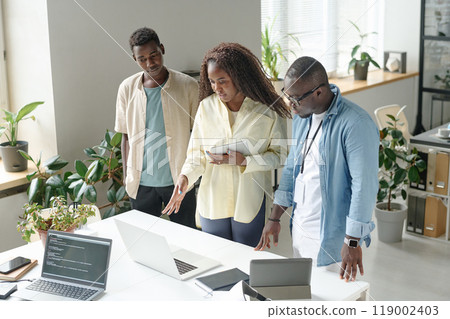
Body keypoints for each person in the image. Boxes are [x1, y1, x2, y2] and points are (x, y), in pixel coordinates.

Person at [255, 56, 379, 282]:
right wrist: (274, 219)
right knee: (305, 296)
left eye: (295, 99)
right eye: (287, 95)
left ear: (319, 92)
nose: (290, 105)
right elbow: (293, 169)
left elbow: (364, 187)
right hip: (301, 230)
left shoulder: (356, 123)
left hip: (333, 239)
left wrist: (352, 242)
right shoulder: (304, 116)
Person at [162, 42, 290, 246]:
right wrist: (185, 177)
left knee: (246, 261)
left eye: (222, 81)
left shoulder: (268, 110)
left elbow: (281, 155)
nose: (216, 88)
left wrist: (246, 161)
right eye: (212, 81)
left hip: (248, 200)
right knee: (218, 260)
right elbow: (196, 155)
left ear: (239, 77)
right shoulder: (206, 107)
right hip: (213, 199)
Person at [114, 27, 198, 228]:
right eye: (142, 59)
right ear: (135, 60)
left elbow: (198, 135)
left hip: (178, 182)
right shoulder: (127, 88)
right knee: (144, 241)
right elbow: (125, 136)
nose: (149, 63)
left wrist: (192, 174)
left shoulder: (188, 86)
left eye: (154, 55)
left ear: (162, 49)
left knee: (187, 237)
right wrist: (127, 175)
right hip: (142, 184)